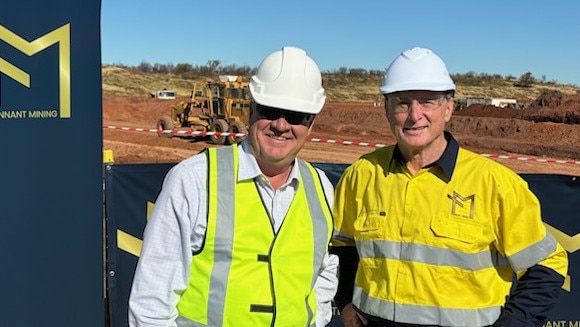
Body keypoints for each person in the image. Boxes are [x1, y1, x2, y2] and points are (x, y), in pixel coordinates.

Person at [330, 47, 568, 327]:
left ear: (449, 108)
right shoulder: (362, 174)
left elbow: (547, 264)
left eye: (427, 102)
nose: (414, 115)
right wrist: (345, 302)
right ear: (386, 108)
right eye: (402, 103)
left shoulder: (495, 184)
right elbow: (341, 246)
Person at [129, 46, 338, 327]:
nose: (280, 124)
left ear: (311, 124)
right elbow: (152, 298)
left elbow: (324, 269)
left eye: (296, 116)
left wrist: (317, 319)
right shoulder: (195, 180)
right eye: (270, 109)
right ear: (251, 110)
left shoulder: (321, 188)